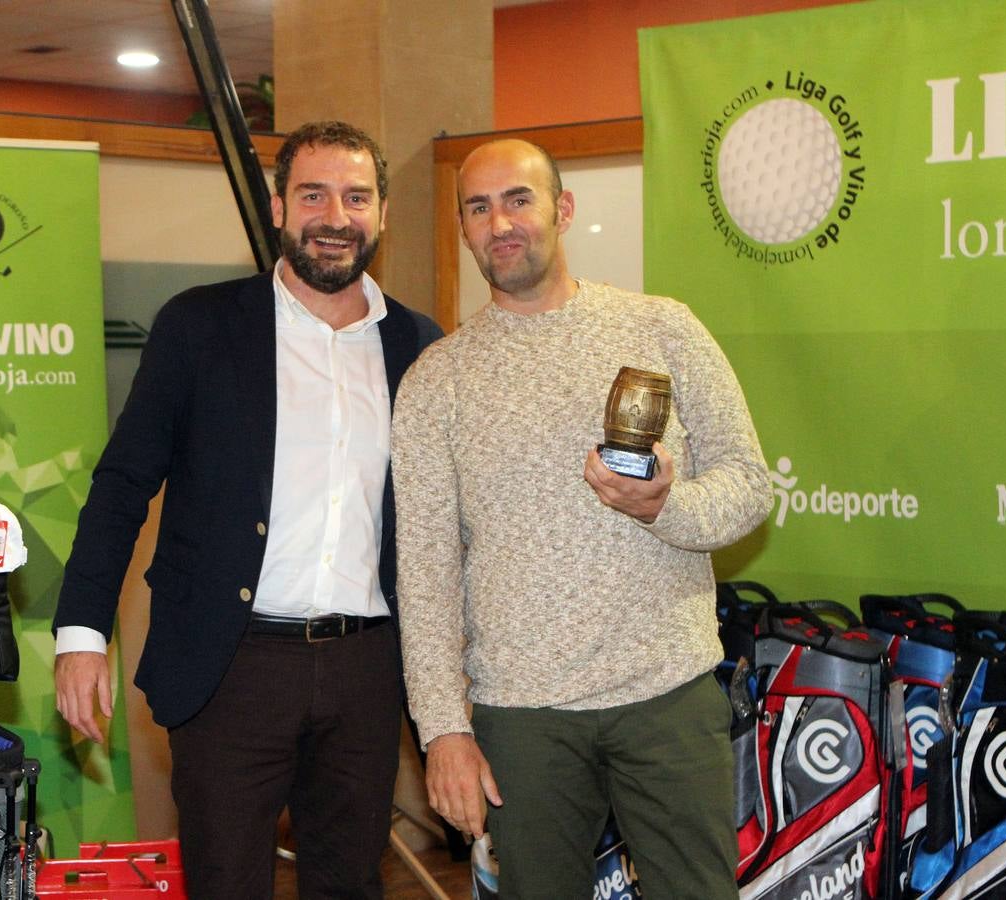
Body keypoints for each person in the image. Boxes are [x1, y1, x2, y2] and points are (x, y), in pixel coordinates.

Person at [53, 120, 442, 898]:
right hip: (230, 667)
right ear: (277, 207)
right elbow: (124, 482)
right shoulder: (199, 327)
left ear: (383, 213)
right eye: (314, 194)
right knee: (227, 883)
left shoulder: (419, 347)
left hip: (367, 668)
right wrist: (81, 634)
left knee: (350, 886)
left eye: (356, 196)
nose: (336, 216)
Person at [391, 138, 773, 899]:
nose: (500, 222)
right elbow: (426, 571)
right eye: (479, 207)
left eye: (518, 199)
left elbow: (750, 485)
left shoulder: (663, 328)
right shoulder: (437, 379)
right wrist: (443, 730)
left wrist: (667, 506)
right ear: (464, 228)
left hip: (666, 694)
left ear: (562, 210)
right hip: (523, 718)